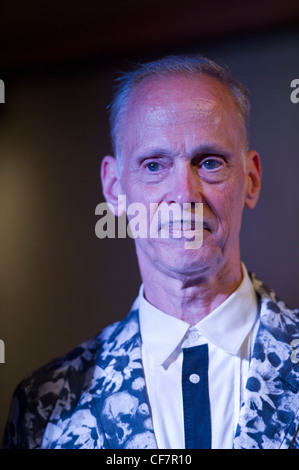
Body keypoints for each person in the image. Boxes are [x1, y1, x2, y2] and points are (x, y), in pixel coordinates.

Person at [3, 54, 299, 450]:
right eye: (154, 165)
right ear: (114, 188)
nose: (184, 195)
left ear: (251, 179)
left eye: (209, 162)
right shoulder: (45, 406)